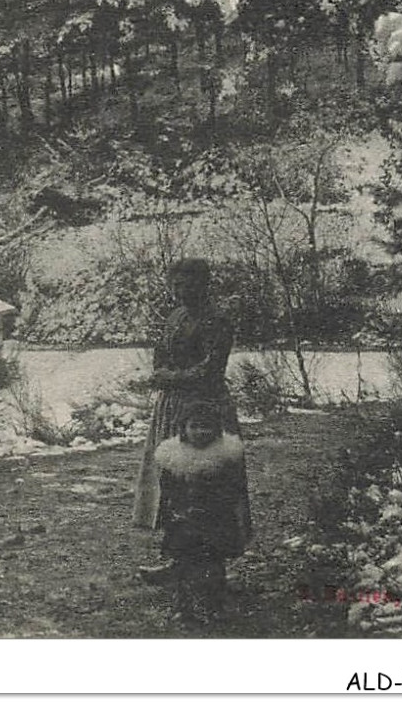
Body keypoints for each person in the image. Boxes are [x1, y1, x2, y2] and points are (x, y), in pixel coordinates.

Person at [132, 258, 251, 586]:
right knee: (174, 482)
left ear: (204, 285)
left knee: (210, 482)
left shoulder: (218, 321)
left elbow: (211, 369)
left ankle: (213, 565)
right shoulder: (174, 318)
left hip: (206, 409)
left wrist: (168, 377)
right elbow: (161, 356)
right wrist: (164, 374)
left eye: (189, 284)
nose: (181, 291)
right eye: (177, 285)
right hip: (172, 409)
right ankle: (177, 558)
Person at [152, 400, 249, 622]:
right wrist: (175, 511)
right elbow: (168, 490)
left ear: (217, 430)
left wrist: (216, 509)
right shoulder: (174, 456)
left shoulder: (224, 457)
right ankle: (183, 606)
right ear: (184, 429)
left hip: (215, 521)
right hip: (183, 521)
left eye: (207, 427)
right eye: (194, 426)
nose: (200, 432)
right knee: (182, 564)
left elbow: (233, 491)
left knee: (213, 564)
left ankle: (214, 604)